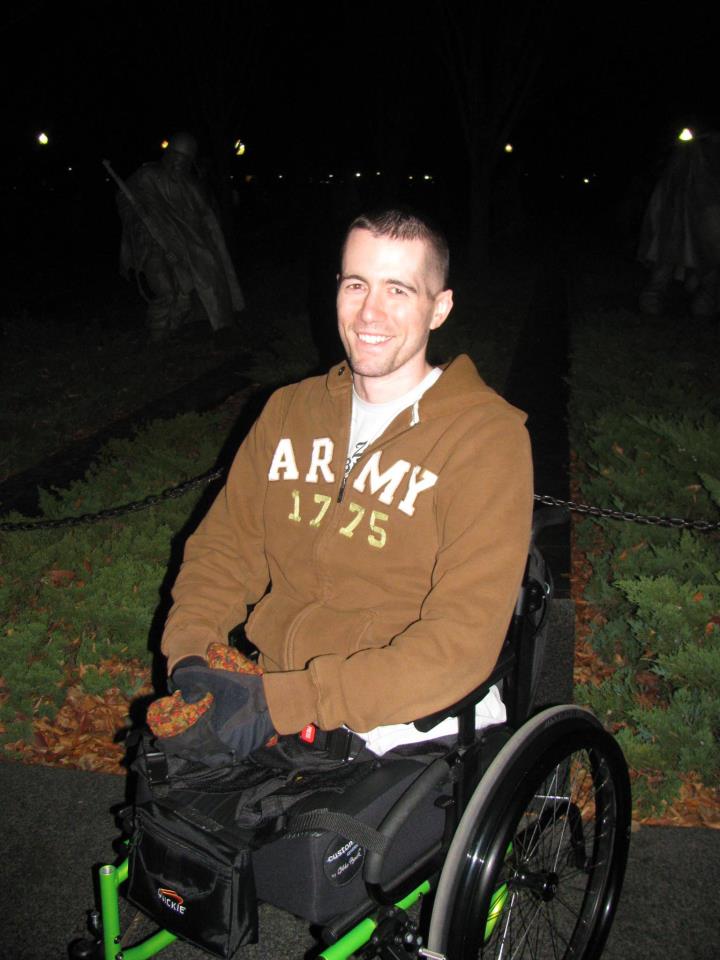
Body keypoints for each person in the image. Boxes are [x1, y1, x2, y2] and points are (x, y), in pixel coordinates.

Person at [148, 208, 533, 763]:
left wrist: (286, 703)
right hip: (273, 692)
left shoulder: (485, 437)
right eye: (356, 285)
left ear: (439, 308)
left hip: (407, 723)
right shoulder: (289, 411)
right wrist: (192, 659)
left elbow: (461, 641)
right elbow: (224, 551)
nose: (370, 312)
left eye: (398, 289)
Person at [117, 131, 245, 340]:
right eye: (175, 157)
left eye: (184, 161)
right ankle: (158, 336)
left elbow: (205, 217)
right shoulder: (147, 175)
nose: (178, 164)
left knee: (185, 292)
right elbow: (124, 199)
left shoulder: (190, 186)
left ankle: (173, 330)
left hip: (181, 247)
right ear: (168, 155)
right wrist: (137, 215)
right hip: (152, 244)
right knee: (166, 292)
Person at [637, 128, 720, 318]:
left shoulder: (704, 169)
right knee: (691, 258)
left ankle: (703, 303)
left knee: (705, 260)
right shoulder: (680, 172)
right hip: (679, 219)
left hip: (694, 219)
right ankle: (699, 303)